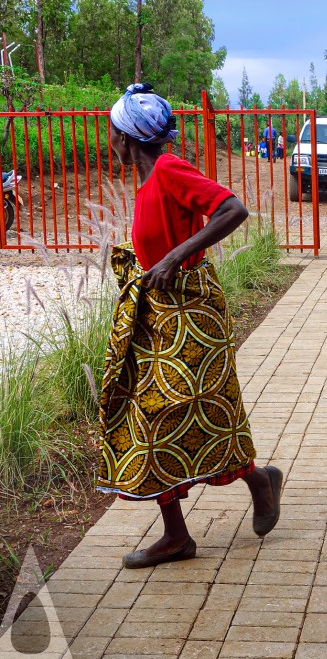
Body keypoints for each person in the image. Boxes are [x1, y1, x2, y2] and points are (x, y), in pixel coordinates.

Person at [100, 83, 282, 569]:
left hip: (191, 315)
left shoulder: (168, 170)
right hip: (160, 316)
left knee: (195, 412)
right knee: (156, 418)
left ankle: (258, 480)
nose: (108, 140)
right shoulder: (147, 179)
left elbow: (233, 209)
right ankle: (177, 537)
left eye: (112, 131)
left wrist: (176, 256)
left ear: (125, 137)